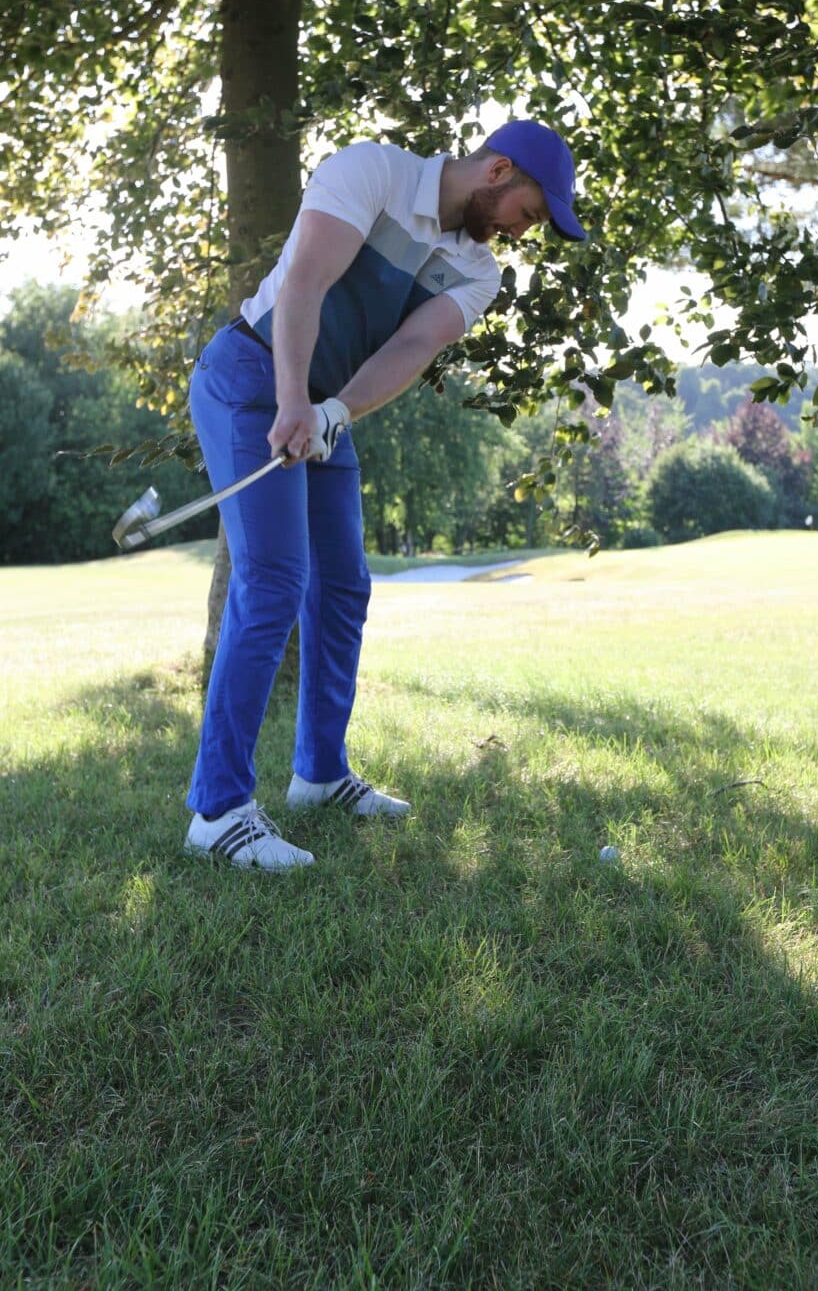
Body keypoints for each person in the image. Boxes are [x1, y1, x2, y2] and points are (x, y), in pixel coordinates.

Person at [183, 119, 586, 870]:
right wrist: (293, 399)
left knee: (342, 587)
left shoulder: (481, 271)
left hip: (326, 404)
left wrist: (331, 412)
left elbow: (410, 347)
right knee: (273, 581)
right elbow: (306, 281)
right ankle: (217, 810)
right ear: (498, 171)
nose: (520, 233)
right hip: (250, 376)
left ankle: (320, 774)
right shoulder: (372, 172)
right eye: (526, 214)